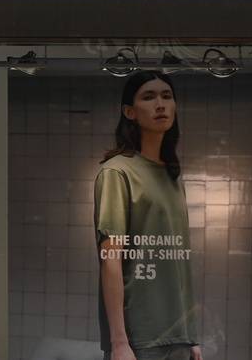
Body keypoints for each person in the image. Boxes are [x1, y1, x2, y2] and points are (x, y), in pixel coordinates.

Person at [95, 71, 200, 360]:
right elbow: (111, 260)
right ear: (129, 111)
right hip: (139, 339)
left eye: (167, 96)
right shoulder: (117, 172)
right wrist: (118, 342)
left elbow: (177, 261)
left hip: (177, 336)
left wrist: (189, 335)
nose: (161, 104)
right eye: (149, 97)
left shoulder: (172, 175)